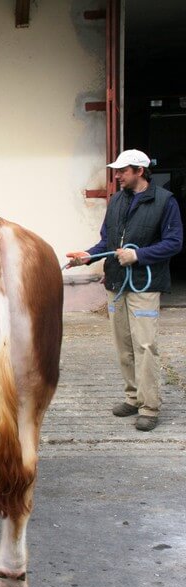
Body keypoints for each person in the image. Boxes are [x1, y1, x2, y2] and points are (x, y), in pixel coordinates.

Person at [66, 149, 183, 431]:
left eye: (122, 171)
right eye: (117, 171)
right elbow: (106, 242)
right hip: (116, 283)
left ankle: (149, 407)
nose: (117, 176)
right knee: (123, 346)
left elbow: (174, 242)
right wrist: (87, 256)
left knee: (145, 346)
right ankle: (132, 398)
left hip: (145, 284)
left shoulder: (165, 201)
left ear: (139, 171)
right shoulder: (116, 200)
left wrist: (138, 255)